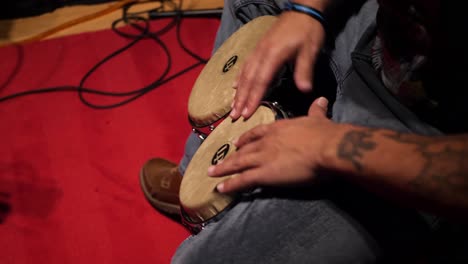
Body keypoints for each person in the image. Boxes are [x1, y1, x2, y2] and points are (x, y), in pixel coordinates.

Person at [140, 0, 468, 262]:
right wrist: (308, 10)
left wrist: (330, 147)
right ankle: (201, 180)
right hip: (378, 38)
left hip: (427, 134)